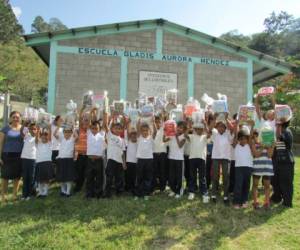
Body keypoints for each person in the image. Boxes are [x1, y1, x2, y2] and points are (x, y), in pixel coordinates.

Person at [0, 111, 23, 202]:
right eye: (14, 117)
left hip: (19, 155)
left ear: (20, 118)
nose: (15, 119)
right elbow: (0, 143)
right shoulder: (5, 129)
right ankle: (3, 196)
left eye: (17, 117)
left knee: (17, 177)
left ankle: (14, 195)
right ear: (10, 118)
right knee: (5, 177)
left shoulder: (23, 129)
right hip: (7, 155)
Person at [271, 120, 295, 207]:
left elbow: (279, 136)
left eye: (278, 123)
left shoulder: (287, 132)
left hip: (286, 162)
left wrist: (277, 126)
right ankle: (276, 197)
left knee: (286, 182)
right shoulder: (278, 131)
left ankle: (287, 202)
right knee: (274, 181)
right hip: (277, 161)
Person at [210, 117, 234, 204]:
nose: (221, 128)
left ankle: (226, 196)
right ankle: (213, 195)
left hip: (226, 158)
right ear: (217, 127)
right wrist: (215, 117)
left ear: (225, 128)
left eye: (223, 126)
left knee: (226, 177)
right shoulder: (215, 134)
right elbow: (210, 128)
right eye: (219, 126)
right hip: (216, 157)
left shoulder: (228, 134)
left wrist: (226, 117)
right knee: (215, 176)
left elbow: (232, 128)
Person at [187, 123, 210, 202]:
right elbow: (185, 134)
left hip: (202, 159)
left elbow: (209, 133)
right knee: (192, 176)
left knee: (202, 177)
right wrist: (189, 126)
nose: (199, 130)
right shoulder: (192, 136)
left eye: (201, 129)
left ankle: (204, 193)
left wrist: (205, 124)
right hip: (192, 158)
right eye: (197, 129)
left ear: (203, 130)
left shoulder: (204, 137)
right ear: (195, 130)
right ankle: (191, 191)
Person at [251, 129, 274, 209]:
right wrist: (262, 147)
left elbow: (269, 155)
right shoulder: (253, 143)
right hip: (257, 166)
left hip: (267, 166)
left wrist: (272, 145)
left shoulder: (269, 142)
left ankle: (266, 203)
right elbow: (256, 154)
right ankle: (255, 202)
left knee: (267, 186)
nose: (256, 136)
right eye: (255, 134)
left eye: (257, 134)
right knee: (255, 185)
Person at [164, 121, 187, 199]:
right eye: (178, 127)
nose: (179, 129)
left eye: (181, 128)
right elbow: (164, 140)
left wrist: (176, 136)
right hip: (171, 158)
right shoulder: (171, 136)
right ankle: (173, 190)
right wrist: (165, 131)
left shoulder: (184, 137)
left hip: (179, 159)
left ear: (184, 130)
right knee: (171, 176)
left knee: (179, 177)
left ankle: (179, 191)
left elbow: (180, 145)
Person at [232, 127, 253, 209]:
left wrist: (252, 126)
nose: (243, 140)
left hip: (248, 167)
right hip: (239, 168)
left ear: (247, 139)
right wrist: (236, 124)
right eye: (241, 139)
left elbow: (250, 137)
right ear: (238, 139)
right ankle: (236, 202)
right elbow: (235, 137)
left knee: (246, 185)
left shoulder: (249, 145)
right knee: (238, 185)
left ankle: (244, 201)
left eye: (245, 139)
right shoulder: (236, 145)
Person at [104, 121, 126, 197]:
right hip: (111, 160)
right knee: (109, 177)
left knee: (119, 178)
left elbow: (123, 152)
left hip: (119, 162)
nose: (117, 130)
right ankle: (107, 193)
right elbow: (105, 124)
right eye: (116, 128)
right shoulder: (110, 136)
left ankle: (119, 192)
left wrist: (124, 163)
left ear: (121, 130)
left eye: (119, 128)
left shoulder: (122, 140)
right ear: (112, 129)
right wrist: (112, 117)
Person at [85, 121, 106, 199]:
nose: (94, 130)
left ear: (99, 129)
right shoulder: (89, 134)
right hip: (90, 160)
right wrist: (92, 111)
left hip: (98, 161)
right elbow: (89, 123)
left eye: (96, 128)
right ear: (90, 129)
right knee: (89, 177)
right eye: (93, 128)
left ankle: (98, 193)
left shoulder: (102, 135)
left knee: (99, 178)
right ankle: (89, 193)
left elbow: (104, 124)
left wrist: (105, 112)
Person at [55, 126, 78, 197]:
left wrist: (73, 128)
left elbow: (77, 136)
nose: (67, 133)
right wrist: (58, 126)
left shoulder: (72, 139)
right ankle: (63, 191)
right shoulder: (61, 139)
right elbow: (54, 134)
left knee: (69, 176)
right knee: (61, 176)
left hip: (69, 159)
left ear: (71, 133)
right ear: (63, 133)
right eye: (65, 132)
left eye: (69, 132)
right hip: (61, 159)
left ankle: (68, 192)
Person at [135, 121, 154, 200]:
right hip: (140, 160)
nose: (145, 132)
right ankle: (138, 194)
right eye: (143, 130)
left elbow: (154, 132)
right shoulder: (139, 138)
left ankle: (146, 193)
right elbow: (138, 128)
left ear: (149, 131)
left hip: (149, 160)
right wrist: (139, 120)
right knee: (139, 177)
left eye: (146, 130)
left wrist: (152, 121)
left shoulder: (151, 138)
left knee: (148, 177)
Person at [20, 122, 38, 200]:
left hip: (33, 159)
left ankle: (30, 194)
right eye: (31, 129)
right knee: (25, 177)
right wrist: (24, 124)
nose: (33, 130)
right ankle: (24, 194)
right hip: (24, 158)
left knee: (31, 177)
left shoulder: (37, 138)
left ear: (37, 130)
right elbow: (21, 132)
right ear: (29, 130)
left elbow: (37, 140)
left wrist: (38, 132)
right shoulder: (27, 136)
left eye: (34, 129)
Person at [35, 127, 53, 197]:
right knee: (39, 179)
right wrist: (38, 131)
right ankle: (40, 192)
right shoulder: (38, 143)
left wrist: (49, 127)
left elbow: (50, 136)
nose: (44, 137)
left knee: (46, 179)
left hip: (47, 162)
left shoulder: (49, 143)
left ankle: (45, 192)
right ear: (40, 137)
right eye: (42, 136)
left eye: (45, 136)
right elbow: (36, 139)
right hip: (39, 162)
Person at [73, 110, 89, 192]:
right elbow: (80, 118)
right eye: (84, 122)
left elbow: (90, 120)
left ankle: (85, 187)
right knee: (79, 172)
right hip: (80, 155)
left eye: (87, 122)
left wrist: (92, 111)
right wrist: (82, 108)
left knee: (87, 172)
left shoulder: (90, 130)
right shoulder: (80, 130)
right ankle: (78, 187)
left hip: (87, 156)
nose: (85, 123)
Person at [152, 115, 167, 192]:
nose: (157, 124)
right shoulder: (152, 130)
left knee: (162, 171)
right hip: (154, 153)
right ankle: (154, 186)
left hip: (162, 153)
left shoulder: (163, 129)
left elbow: (165, 117)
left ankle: (162, 187)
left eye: (159, 122)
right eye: (156, 122)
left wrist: (163, 113)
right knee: (154, 171)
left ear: (162, 123)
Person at [124, 128, 138, 195]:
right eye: (132, 134)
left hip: (136, 163)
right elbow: (126, 132)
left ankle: (134, 189)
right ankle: (128, 188)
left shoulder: (138, 142)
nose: (133, 136)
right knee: (128, 176)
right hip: (128, 162)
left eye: (135, 135)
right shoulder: (127, 142)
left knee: (134, 177)